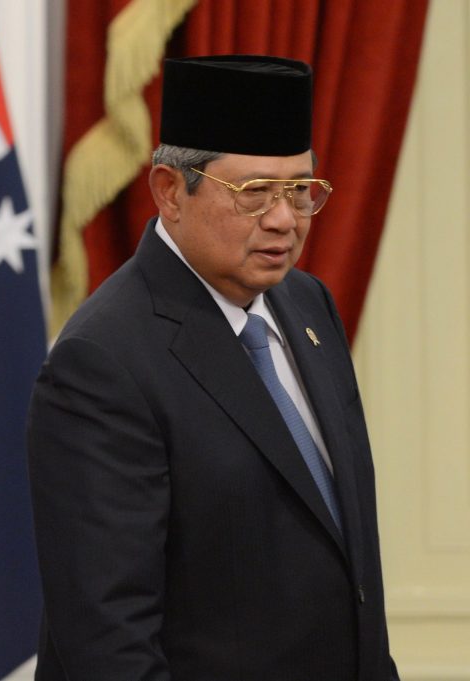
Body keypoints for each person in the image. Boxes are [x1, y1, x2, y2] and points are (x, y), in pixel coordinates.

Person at [27, 55, 399, 680]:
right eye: (255, 194)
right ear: (170, 192)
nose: (284, 220)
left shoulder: (309, 304)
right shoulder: (104, 360)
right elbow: (107, 639)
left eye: (300, 190)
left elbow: (350, 557)